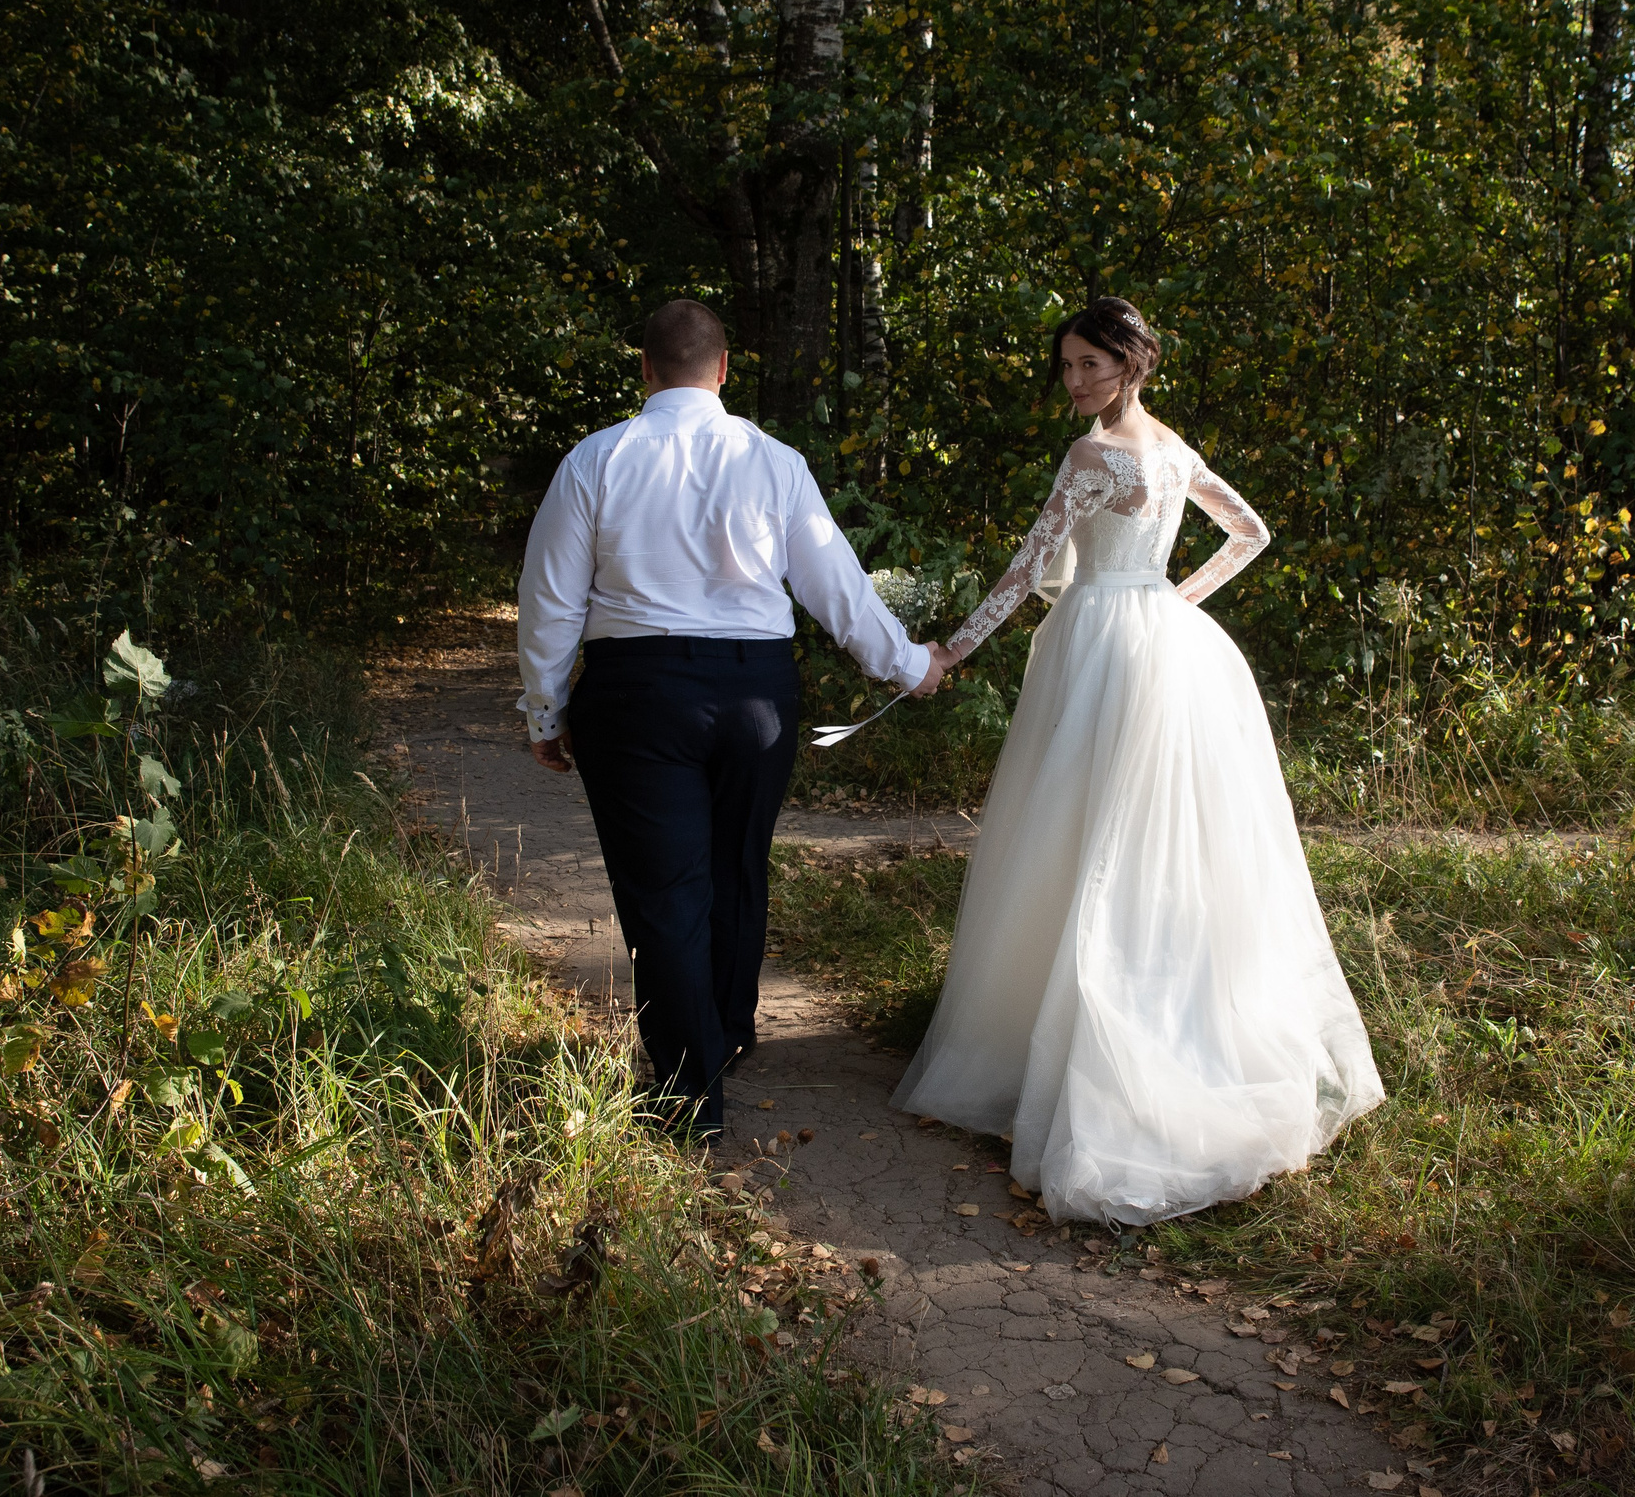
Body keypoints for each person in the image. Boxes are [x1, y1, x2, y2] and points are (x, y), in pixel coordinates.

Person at [891, 297, 1384, 1225]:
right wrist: (1175, 602)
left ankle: (1078, 1054)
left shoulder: (1092, 458)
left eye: (1090, 364)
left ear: (1131, 362)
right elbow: (1251, 533)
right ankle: (1140, 1033)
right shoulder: (1175, 449)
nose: (1074, 381)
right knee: (1143, 840)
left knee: (1085, 833)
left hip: (1098, 644)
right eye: (1067, 365)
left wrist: (951, 651)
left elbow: (1027, 566)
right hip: (1160, 640)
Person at [517, 300, 948, 1141]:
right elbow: (836, 585)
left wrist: (545, 708)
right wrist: (907, 663)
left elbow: (551, 599)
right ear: (723, 370)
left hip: (636, 695)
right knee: (738, 865)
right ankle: (726, 1032)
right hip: (756, 692)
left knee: (664, 890)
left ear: (645, 368)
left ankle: (690, 1096)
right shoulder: (774, 462)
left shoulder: (595, 460)